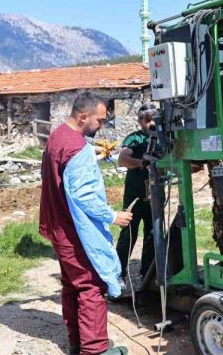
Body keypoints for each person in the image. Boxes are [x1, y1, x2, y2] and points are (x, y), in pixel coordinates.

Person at [39, 92, 132, 355]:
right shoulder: (76, 147)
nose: (101, 126)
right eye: (99, 120)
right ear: (83, 116)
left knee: (72, 285)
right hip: (74, 231)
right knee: (91, 285)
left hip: (58, 226)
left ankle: (77, 343)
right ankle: (95, 349)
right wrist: (112, 216)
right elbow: (84, 195)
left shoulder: (58, 136)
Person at [115, 103, 156, 288]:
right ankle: (118, 274)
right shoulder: (134, 138)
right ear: (140, 121)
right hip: (135, 194)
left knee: (153, 234)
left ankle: (147, 274)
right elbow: (122, 159)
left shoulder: (163, 138)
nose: (151, 123)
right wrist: (141, 163)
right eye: (147, 120)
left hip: (155, 194)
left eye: (154, 119)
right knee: (129, 232)